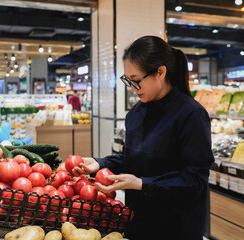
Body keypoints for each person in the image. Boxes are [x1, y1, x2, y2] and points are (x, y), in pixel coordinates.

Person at [72, 36, 214, 240]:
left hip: (176, 226)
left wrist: (142, 184)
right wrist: (99, 163)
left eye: (136, 80)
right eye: (128, 80)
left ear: (161, 72)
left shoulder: (190, 114)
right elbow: (131, 158)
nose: (132, 88)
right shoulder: (136, 114)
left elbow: (195, 180)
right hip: (137, 222)